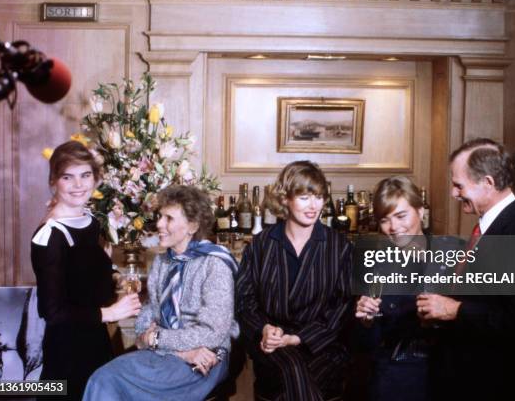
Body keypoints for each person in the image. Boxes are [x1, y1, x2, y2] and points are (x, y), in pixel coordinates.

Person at [416, 138, 515, 400]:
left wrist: (455, 310)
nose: (454, 193)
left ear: (488, 183)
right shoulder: (491, 227)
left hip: (496, 384)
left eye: (458, 185)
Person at [83, 185, 239, 401]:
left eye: (169, 218)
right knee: (102, 378)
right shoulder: (162, 261)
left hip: (206, 359)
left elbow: (211, 333)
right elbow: (145, 320)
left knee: (108, 381)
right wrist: (175, 350)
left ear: (192, 226)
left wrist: (157, 338)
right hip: (171, 354)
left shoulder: (214, 265)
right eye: (159, 216)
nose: (159, 224)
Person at [31, 140, 142, 400]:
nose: (78, 185)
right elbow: (53, 312)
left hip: (95, 341)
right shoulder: (50, 236)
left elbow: (88, 277)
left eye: (85, 175)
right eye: (67, 177)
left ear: (95, 179)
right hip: (66, 353)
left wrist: (116, 276)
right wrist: (110, 312)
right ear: (53, 182)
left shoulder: (90, 221)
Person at [236, 161, 352, 401]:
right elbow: (244, 302)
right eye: (304, 197)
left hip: (322, 343)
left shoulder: (339, 247)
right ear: (285, 199)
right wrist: (265, 329)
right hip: (272, 344)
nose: (313, 206)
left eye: (319, 197)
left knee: (297, 373)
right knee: (291, 368)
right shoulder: (261, 245)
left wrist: (299, 338)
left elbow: (342, 306)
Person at [354, 176, 435, 401]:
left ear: (420, 211)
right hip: (394, 379)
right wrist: (366, 320)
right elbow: (364, 344)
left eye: (401, 216)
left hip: (447, 376)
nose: (393, 227)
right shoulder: (375, 266)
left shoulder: (452, 256)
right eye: (384, 220)